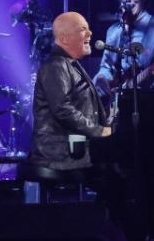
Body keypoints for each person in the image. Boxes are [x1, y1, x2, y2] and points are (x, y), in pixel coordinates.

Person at [31, 12, 112, 171]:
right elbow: (63, 109)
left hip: (74, 144)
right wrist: (99, 131)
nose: (90, 33)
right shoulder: (56, 66)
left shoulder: (70, 64)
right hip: (58, 150)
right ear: (64, 38)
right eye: (83, 29)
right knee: (115, 169)